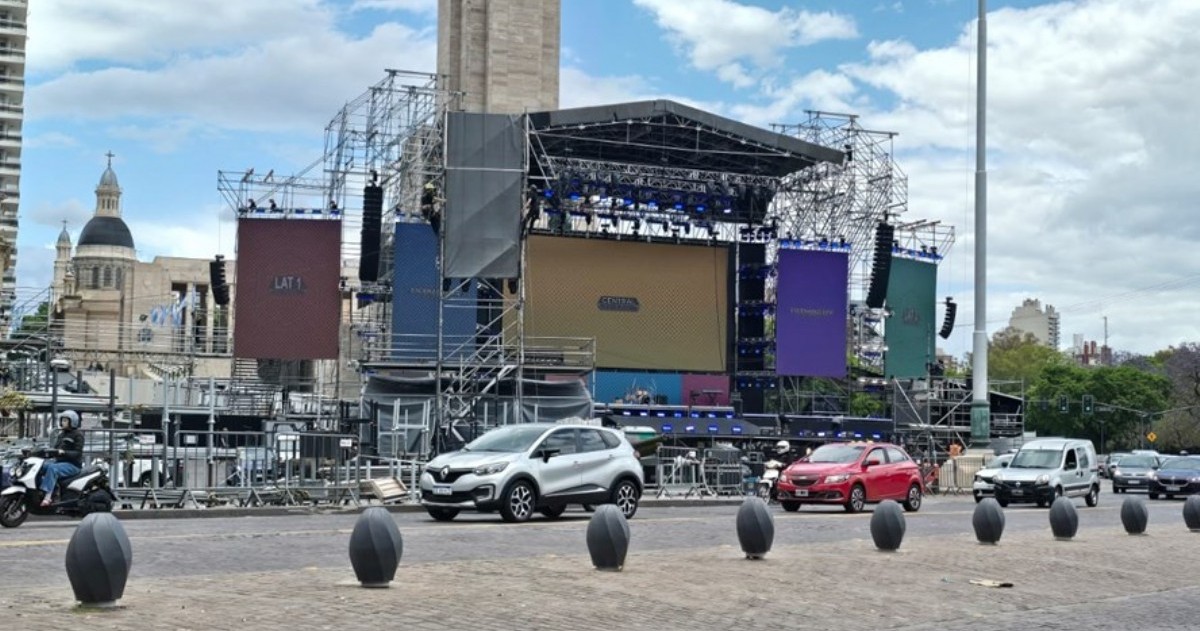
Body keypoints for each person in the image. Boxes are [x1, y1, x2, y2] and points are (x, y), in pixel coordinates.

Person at [39, 410, 85, 507]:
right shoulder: (61, 434)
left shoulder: (78, 435)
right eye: (62, 420)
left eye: (65, 420)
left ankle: (48, 497)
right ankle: (39, 491)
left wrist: (64, 452)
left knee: (53, 469)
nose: (63, 422)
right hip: (59, 462)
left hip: (73, 465)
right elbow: (55, 449)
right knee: (41, 466)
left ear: (72, 421)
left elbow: (78, 453)